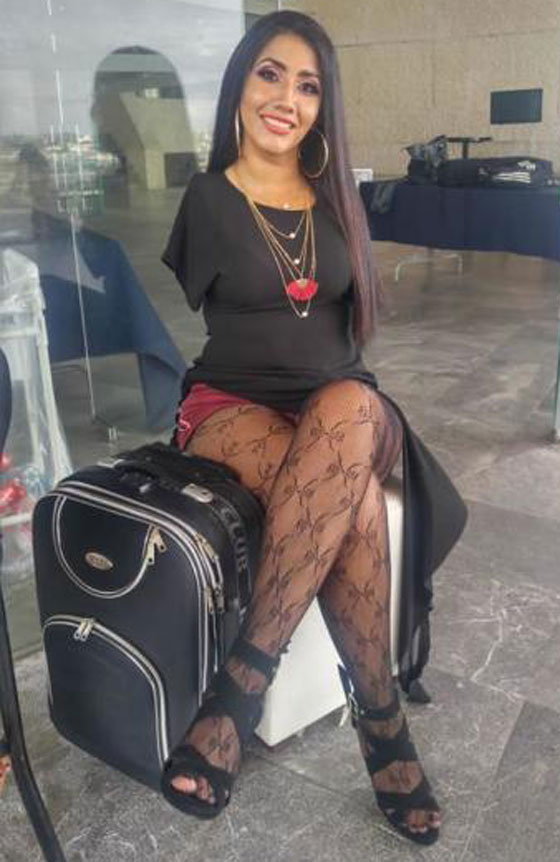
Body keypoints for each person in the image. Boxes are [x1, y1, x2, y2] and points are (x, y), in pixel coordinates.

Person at [160, 10, 466, 845]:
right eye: (270, 74)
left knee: (349, 411)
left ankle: (236, 691)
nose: (286, 99)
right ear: (239, 84)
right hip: (230, 403)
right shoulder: (208, 198)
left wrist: (339, 400)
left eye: (307, 85)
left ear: (322, 106)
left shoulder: (337, 200)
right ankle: (383, 721)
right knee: (354, 504)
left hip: (341, 404)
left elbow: (347, 341)